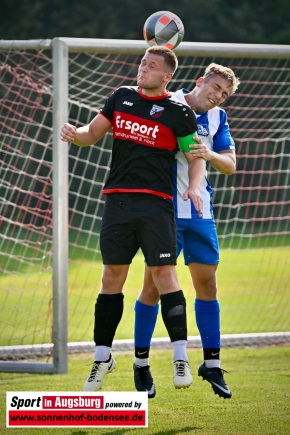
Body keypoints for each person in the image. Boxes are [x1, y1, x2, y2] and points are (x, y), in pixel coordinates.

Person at [60, 46, 205, 393]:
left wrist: (195, 186)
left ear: (166, 76)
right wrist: (74, 133)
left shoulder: (179, 113)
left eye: (152, 66)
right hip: (117, 202)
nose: (143, 68)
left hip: (156, 205)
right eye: (143, 62)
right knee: (111, 276)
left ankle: (180, 356)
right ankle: (101, 358)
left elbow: (196, 155)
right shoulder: (121, 97)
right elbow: (91, 134)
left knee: (164, 275)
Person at [133, 63, 240, 399]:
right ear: (200, 81)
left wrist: (207, 152)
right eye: (215, 87)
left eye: (224, 93)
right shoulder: (167, 103)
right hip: (163, 213)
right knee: (152, 289)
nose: (217, 95)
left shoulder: (218, 118)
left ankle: (211, 363)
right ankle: (142, 365)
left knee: (207, 284)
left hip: (200, 213)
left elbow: (230, 164)